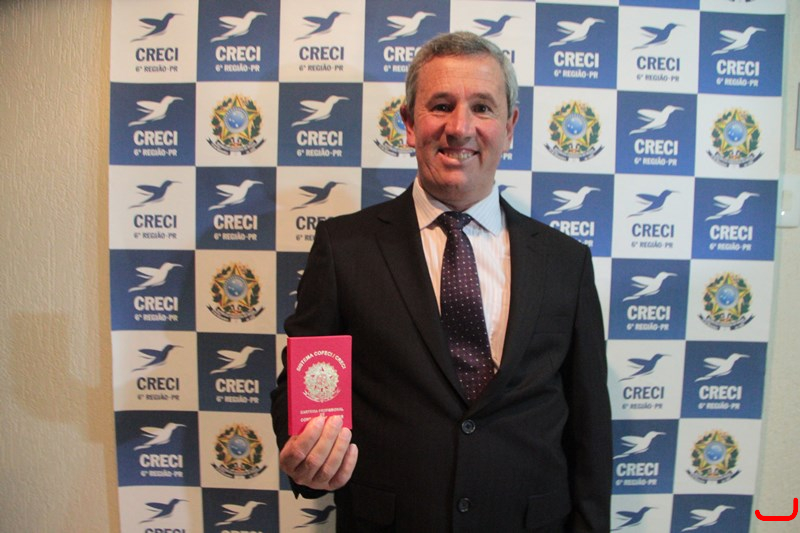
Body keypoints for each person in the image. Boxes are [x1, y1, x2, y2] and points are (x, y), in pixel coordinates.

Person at [271, 31, 611, 532]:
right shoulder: (344, 248)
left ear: (510, 128)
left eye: (482, 107)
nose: (460, 127)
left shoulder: (566, 261)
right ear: (409, 124)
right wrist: (305, 454)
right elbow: (304, 383)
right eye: (441, 106)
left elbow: (589, 423)